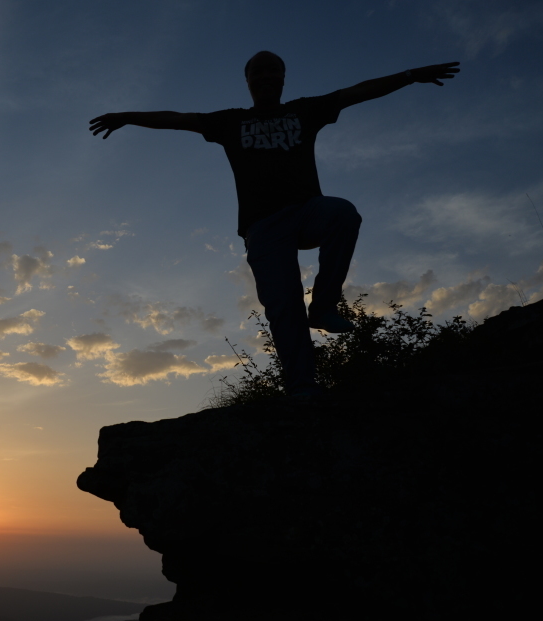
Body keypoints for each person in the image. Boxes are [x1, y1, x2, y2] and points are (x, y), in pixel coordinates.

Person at [89, 52, 460, 398]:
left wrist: (410, 76)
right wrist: (128, 116)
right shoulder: (230, 121)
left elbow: (358, 92)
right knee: (283, 304)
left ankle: (324, 305)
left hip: (306, 211)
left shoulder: (304, 111)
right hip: (263, 226)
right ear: (248, 81)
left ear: (283, 78)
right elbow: (178, 119)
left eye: (273, 71)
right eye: (258, 72)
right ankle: (302, 387)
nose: (266, 76)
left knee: (343, 213)